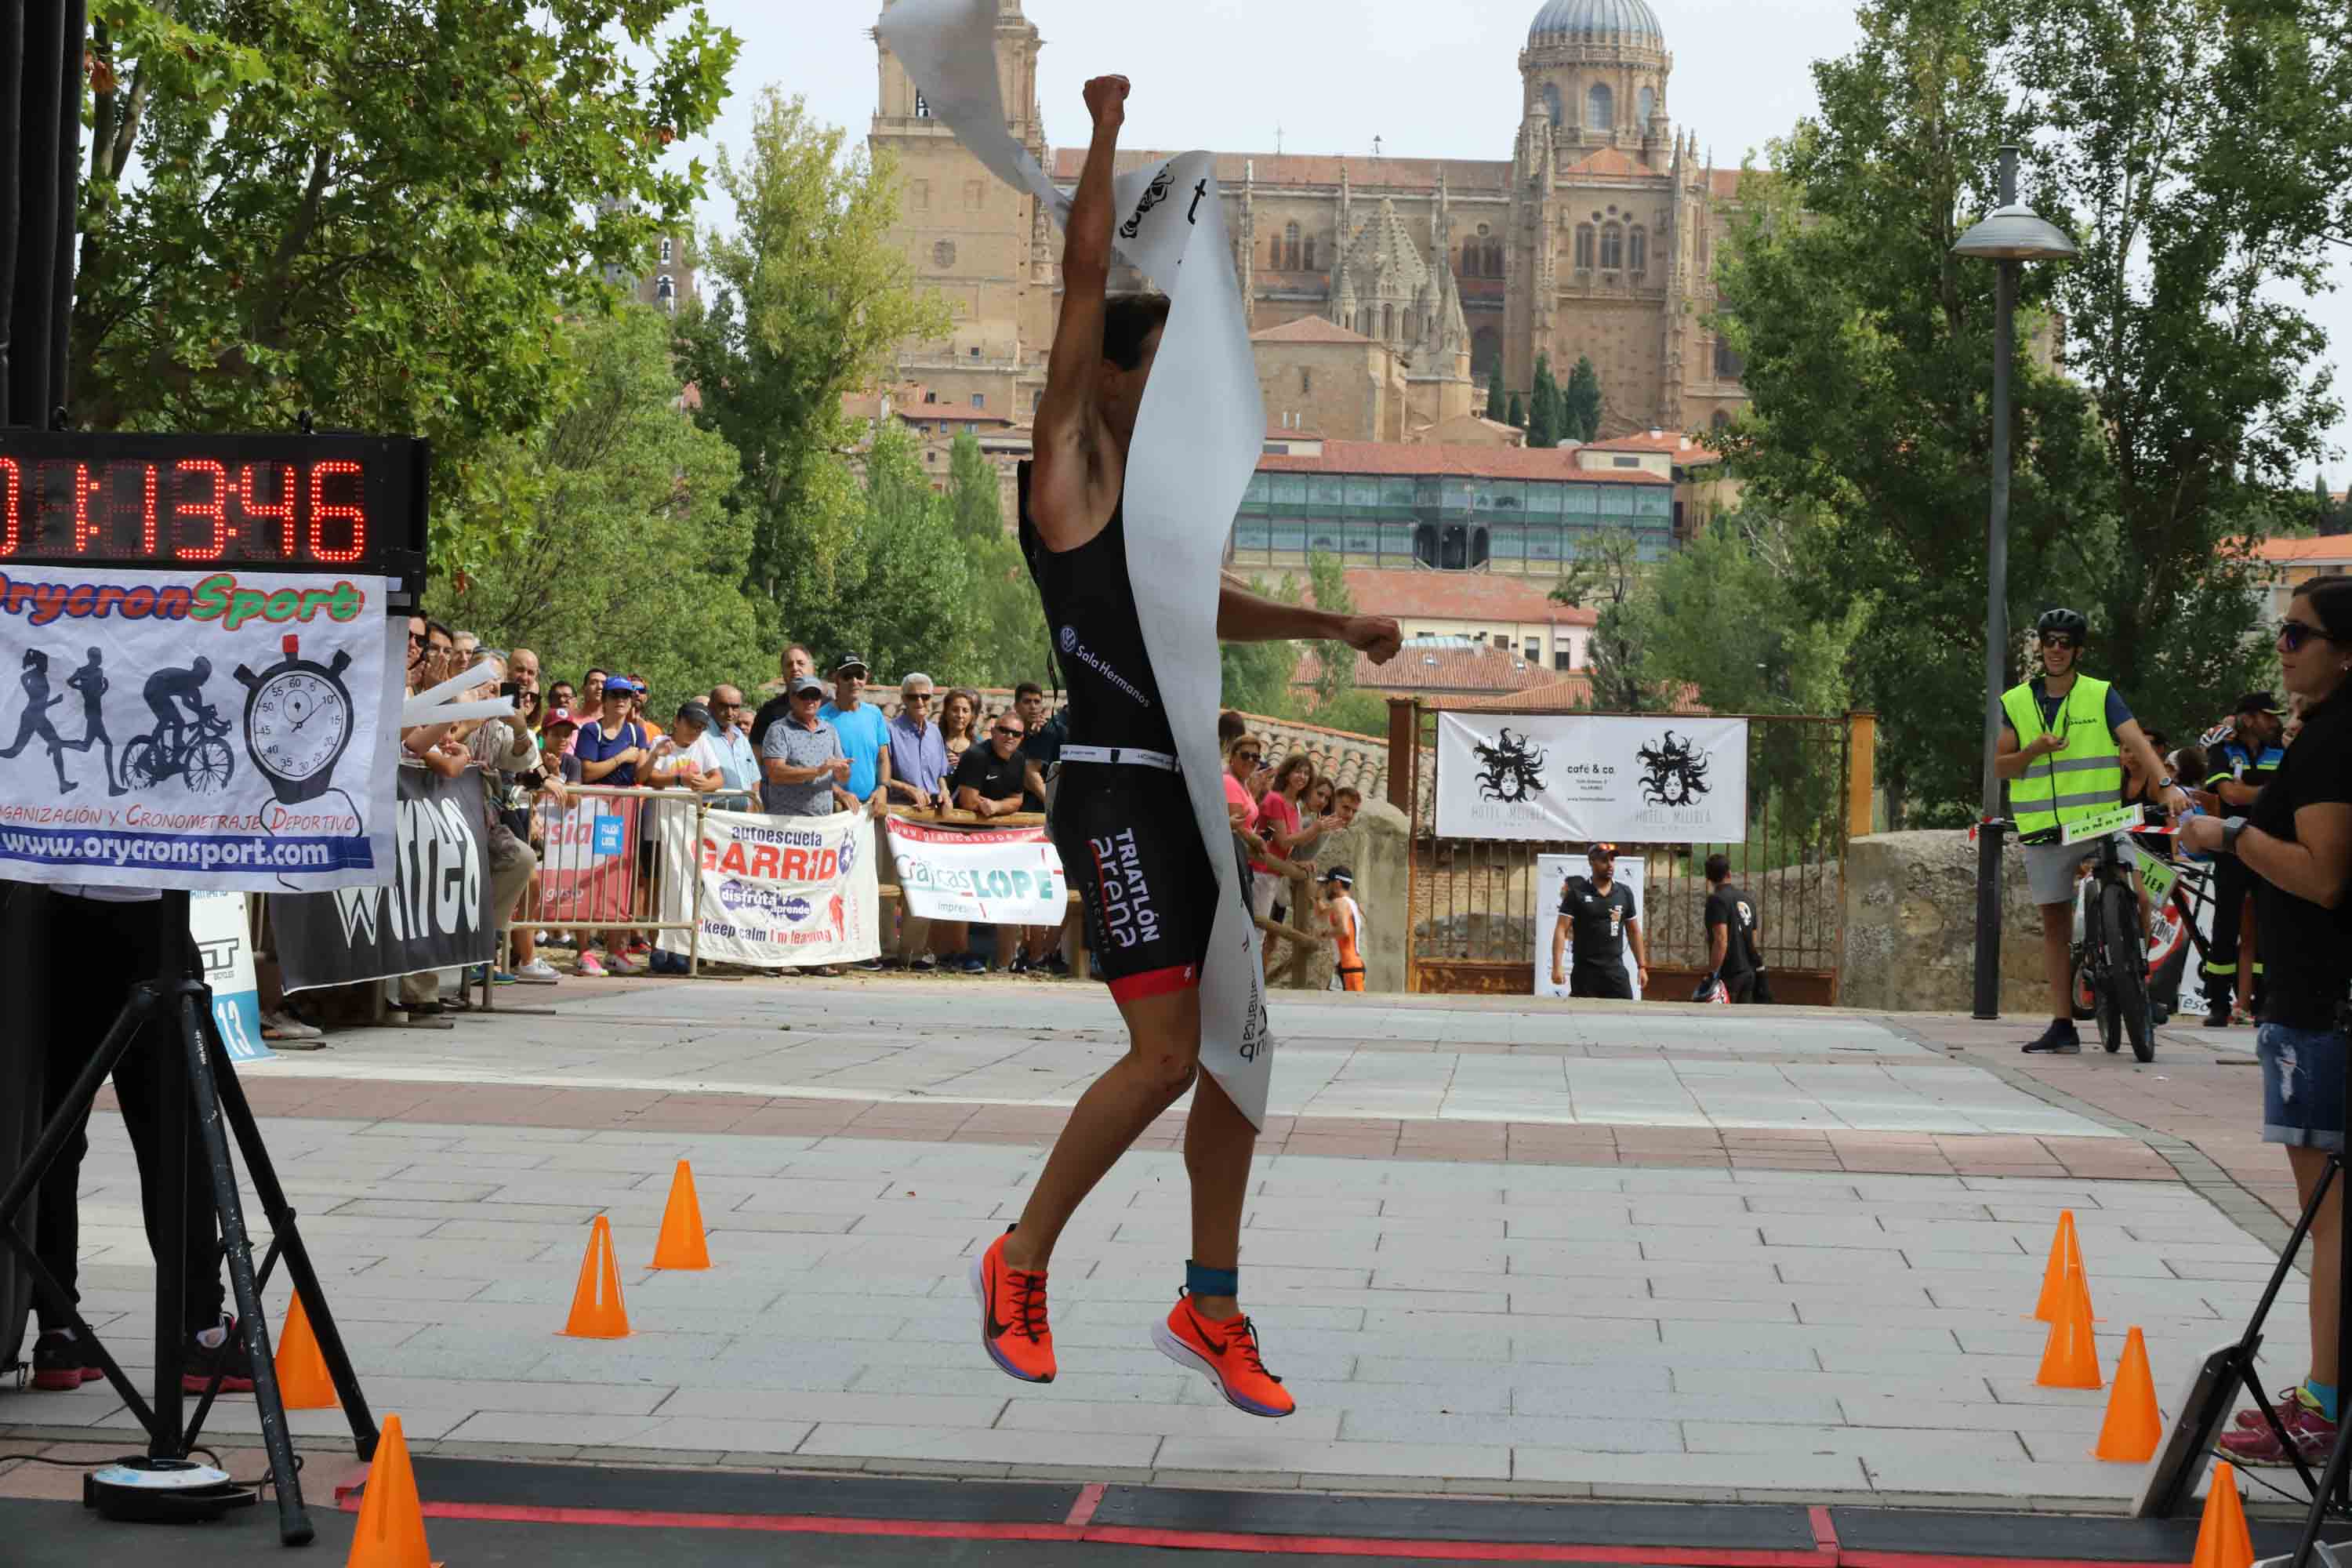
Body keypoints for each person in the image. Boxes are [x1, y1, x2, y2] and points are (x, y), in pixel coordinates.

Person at [967, 71, 1403, 1421]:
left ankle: (1209, 1304)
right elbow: (1086, 268)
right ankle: (1019, 1257)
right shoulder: (1070, 464)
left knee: (1241, 1060)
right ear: (1110, 365)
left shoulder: (1156, 512)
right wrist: (1099, 133)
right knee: (1166, 1059)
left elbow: (1199, 606)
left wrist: (1326, 620)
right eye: (1147, 359)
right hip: (1111, 792)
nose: (1163, 382)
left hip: (1186, 809)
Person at [2180, 583, 2352, 1466]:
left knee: (2331, 1218)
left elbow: (2325, 875)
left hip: (2322, 1012)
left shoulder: (2328, 744)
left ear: (2344, 650)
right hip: (2325, 1004)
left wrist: (2232, 838)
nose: (2282, 647)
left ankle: (2324, 1402)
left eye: (2298, 633)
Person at [1998, 608, 2189, 1055]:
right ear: (2040, 647)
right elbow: (2001, 766)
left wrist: (2165, 786)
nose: (2057, 649)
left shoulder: (2100, 694)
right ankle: (2062, 1024)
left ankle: (2135, 976)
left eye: (2065, 642)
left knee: (2140, 895)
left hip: (2101, 821)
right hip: (2045, 829)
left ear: (2078, 650)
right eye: (2049, 641)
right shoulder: (2016, 702)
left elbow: (2138, 741)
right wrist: (2033, 750)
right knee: (2055, 925)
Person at [2201, 693, 2288, 1026]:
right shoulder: (2222, 749)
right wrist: (2272, 791)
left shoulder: (2282, 747)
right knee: (2225, 925)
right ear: (2249, 718)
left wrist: (2250, 791)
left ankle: (2265, 1002)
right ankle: (2218, 1004)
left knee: (2270, 925)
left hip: (2270, 845)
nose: (2274, 722)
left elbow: (2287, 791)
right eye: (2268, 716)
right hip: (2232, 847)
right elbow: (2229, 795)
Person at [760, 674, 852, 977]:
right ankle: (775, 955)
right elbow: (775, 772)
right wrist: (817, 770)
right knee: (783, 891)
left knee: (815, 892)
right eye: (804, 696)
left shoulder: (830, 729)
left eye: (815, 696)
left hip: (820, 825)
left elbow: (839, 774)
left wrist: (842, 778)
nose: (811, 700)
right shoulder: (779, 729)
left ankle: (810, 956)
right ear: (793, 699)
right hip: (787, 822)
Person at [1551, 843, 1647, 999]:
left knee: (1625, 1019)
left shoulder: (1624, 893)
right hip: (1585, 973)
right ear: (1591, 862)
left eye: (1612, 860)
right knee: (1583, 1021)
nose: (1610, 865)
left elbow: (1634, 931)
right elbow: (1561, 929)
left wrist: (1642, 966)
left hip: (1615, 972)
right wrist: (1557, 967)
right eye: (1604, 860)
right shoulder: (1577, 893)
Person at [819, 655, 891, 817]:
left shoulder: (875, 714)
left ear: (866, 678)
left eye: (859, 675)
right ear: (835, 679)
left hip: (871, 808)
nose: (854, 681)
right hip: (836, 809)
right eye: (847, 676)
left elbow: (883, 758)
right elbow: (814, 768)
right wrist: (840, 794)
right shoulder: (821, 718)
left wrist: (883, 788)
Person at [1, 649, 74, 791]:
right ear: (38, 661)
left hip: (39, 717)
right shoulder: (32, 676)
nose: (47, 664)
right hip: (32, 716)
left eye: (47, 661)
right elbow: (37, 703)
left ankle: (63, 784)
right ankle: (63, 784)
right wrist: (55, 702)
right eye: (44, 661)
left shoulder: (40, 675)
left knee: (56, 745)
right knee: (13, 752)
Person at [138, 656, 215, 785]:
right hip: (155, 687)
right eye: (204, 676)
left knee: (171, 721)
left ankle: (170, 760)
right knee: (174, 721)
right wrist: (203, 712)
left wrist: (206, 713)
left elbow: (192, 706)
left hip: (155, 689)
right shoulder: (189, 679)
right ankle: (148, 757)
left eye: (206, 678)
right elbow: (194, 706)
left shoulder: (193, 686)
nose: (204, 681)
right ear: (197, 671)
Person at [62, 647, 124, 797]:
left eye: (100, 656)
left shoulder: (96, 671)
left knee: (86, 746)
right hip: (92, 712)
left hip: (95, 711)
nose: (100, 659)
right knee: (106, 744)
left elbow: (74, 684)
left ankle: (60, 743)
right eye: (97, 656)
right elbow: (71, 682)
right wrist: (101, 688)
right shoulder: (86, 671)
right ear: (91, 657)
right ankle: (112, 786)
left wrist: (83, 688)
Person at [1702, 853, 1762, 1004]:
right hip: (1749, 973)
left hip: (1729, 974)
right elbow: (1754, 940)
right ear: (1729, 873)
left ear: (1708, 879)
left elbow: (1721, 940)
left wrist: (1713, 974)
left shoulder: (1716, 900)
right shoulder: (1747, 900)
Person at [887, 674, 953, 811]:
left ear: (931, 699)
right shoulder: (889, 731)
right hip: (902, 814)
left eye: (925, 697)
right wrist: (908, 789)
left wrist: (944, 791)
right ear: (904, 699)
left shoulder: (935, 732)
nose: (920, 701)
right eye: (913, 697)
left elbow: (940, 774)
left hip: (934, 813)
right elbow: (881, 777)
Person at [692, 685, 761, 809]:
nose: (730, 713)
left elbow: (754, 778)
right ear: (710, 707)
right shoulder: (700, 736)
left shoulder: (741, 737)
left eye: (735, 707)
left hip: (742, 820)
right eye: (723, 706)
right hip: (710, 817)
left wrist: (752, 809)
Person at [749, 644, 818, 753]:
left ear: (812, 669)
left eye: (800, 663)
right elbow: (756, 756)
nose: (795, 668)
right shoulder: (769, 712)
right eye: (789, 665)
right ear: (783, 672)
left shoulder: (828, 705)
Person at [1319, 866, 1367, 993]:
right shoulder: (1350, 903)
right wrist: (1317, 896)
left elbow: (1343, 930)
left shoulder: (1339, 902)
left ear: (1337, 884)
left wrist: (1326, 934)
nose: (1326, 887)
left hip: (1349, 968)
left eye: (1328, 883)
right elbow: (1322, 914)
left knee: (1356, 1011)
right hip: (1347, 967)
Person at [942, 688, 982, 761]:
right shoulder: (934, 742)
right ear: (946, 713)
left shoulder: (979, 747)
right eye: (955, 710)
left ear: (972, 716)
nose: (960, 715)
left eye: (965, 711)